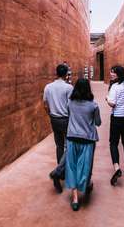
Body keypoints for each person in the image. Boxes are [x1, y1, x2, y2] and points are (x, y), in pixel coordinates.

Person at [65, 78, 101, 211]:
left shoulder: (70, 103)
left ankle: (75, 198)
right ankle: (85, 184)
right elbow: (98, 122)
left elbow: (70, 117)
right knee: (85, 167)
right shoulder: (93, 105)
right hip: (87, 139)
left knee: (71, 166)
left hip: (72, 137)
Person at [43, 64, 73, 192]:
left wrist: (50, 114)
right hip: (66, 119)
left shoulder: (48, 87)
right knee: (69, 145)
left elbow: (45, 103)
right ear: (66, 74)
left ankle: (59, 170)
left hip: (54, 119)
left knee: (59, 145)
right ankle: (60, 170)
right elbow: (71, 105)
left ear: (56, 73)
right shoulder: (69, 87)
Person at [106, 65, 124, 186]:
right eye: (111, 72)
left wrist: (107, 98)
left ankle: (117, 168)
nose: (111, 74)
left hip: (117, 118)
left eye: (113, 72)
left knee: (113, 142)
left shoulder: (115, 87)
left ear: (118, 74)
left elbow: (112, 104)